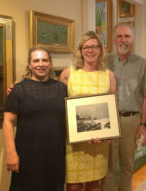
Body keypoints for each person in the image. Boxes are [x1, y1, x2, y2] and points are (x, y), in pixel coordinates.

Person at [3, 47, 67, 191]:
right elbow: (7, 122)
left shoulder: (61, 89)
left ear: (50, 63)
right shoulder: (19, 89)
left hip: (54, 154)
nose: (41, 64)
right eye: (36, 60)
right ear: (30, 64)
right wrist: (11, 153)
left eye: (45, 60)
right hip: (27, 154)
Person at [59, 31, 116, 191]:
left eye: (94, 46)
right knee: (73, 186)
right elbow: (55, 102)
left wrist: (107, 133)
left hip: (99, 142)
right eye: (86, 47)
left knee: (94, 185)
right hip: (74, 142)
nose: (90, 50)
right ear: (80, 50)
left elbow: (111, 108)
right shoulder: (68, 73)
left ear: (100, 50)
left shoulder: (109, 76)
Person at [101, 23, 146, 191]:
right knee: (107, 168)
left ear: (133, 39)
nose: (123, 40)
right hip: (107, 120)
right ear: (114, 39)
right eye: (119, 36)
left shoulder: (143, 65)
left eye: (127, 36)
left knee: (127, 166)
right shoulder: (103, 62)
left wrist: (143, 125)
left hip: (131, 121)